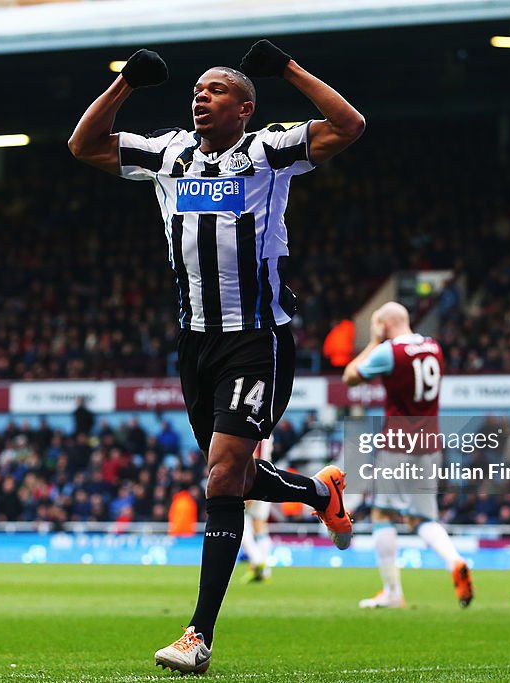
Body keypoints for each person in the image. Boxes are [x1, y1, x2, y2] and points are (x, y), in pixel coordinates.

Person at [70, 38, 364, 673]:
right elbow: (84, 147)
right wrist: (125, 84)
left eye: (216, 90)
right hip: (195, 342)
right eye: (195, 90)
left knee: (224, 475)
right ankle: (319, 493)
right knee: (229, 475)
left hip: (256, 339)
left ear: (245, 108)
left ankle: (198, 634)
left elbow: (349, 125)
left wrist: (287, 68)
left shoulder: (267, 150)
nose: (199, 96)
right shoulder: (169, 153)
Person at [342, 302, 473, 609]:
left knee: (382, 514)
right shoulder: (434, 347)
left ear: (383, 324)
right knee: (423, 517)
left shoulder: (389, 351)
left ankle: (392, 592)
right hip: (431, 443)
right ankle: (455, 560)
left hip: (398, 443)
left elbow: (350, 376)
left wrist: (375, 341)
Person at [240, 437, 274, 583]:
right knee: (260, 526)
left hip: (255, 477)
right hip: (268, 477)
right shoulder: (268, 430)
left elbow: (253, 455)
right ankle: (264, 571)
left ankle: (257, 560)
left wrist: (250, 484)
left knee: (239, 523)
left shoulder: (255, 427)